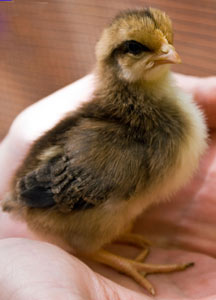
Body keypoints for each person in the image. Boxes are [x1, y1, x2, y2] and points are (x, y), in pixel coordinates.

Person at [0, 73, 216, 300]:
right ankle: (100, 251)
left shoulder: (144, 130)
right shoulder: (117, 151)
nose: (167, 52)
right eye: (138, 49)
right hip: (49, 205)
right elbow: (37, 193)